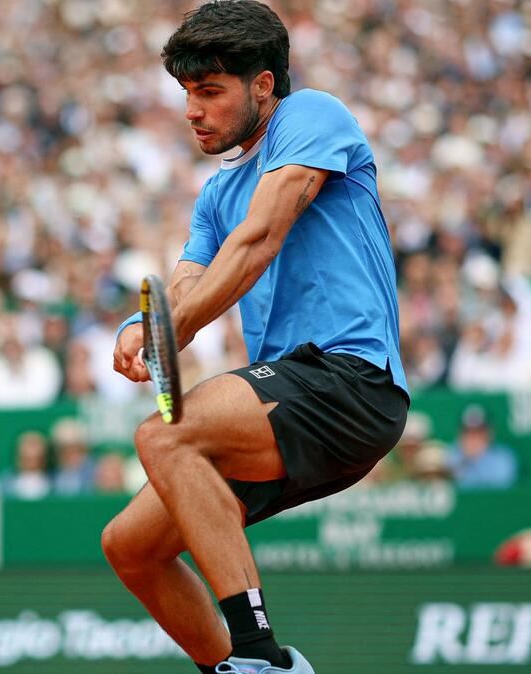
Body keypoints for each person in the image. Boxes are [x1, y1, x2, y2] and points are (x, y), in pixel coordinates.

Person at [106, 3, 410, 672]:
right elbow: (187, 284)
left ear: (265, 85)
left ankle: (259, 655)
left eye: (210, 91)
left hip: (350, 383)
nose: (192, 110)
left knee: (164, 433)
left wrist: (171, 332)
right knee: (131, 545)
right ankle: (233, 669)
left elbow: (259, 240)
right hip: (290, 410)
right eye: (187, 93)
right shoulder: (216, 196)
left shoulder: (312, 117)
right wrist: (143, 327)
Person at [447, 405, 517, 490]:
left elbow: (501, 486)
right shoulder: (449, 456)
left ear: (489, 433)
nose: (473, 437)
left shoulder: (503, 458)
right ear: (460, 434)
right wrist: (464, 462)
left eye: (478, 432)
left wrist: (476, 459)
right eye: (468, 432)